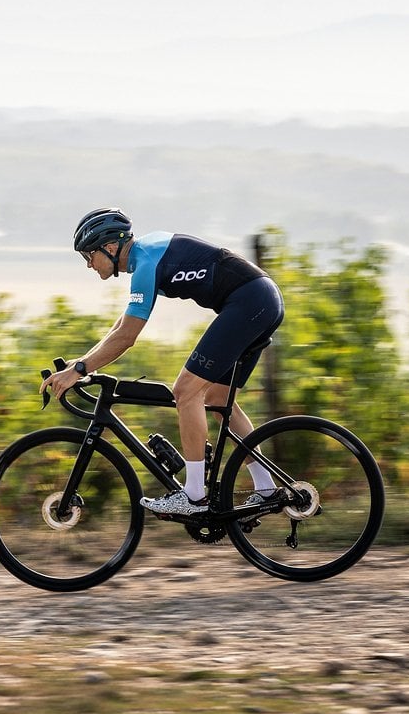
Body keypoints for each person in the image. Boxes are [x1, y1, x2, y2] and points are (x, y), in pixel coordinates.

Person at [40, 207, 285, 515]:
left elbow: (127, 336)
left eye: (90, 255)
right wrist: (83, 362)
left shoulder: (146, 263)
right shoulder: (146, 255)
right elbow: (122, 326)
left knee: (185, 391)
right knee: (218, 400)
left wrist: (80, 369)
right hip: (259, 299)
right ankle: (266, 489)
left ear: (111, 248)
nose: (89, 264)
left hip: (250, 302)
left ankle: (194, 496)